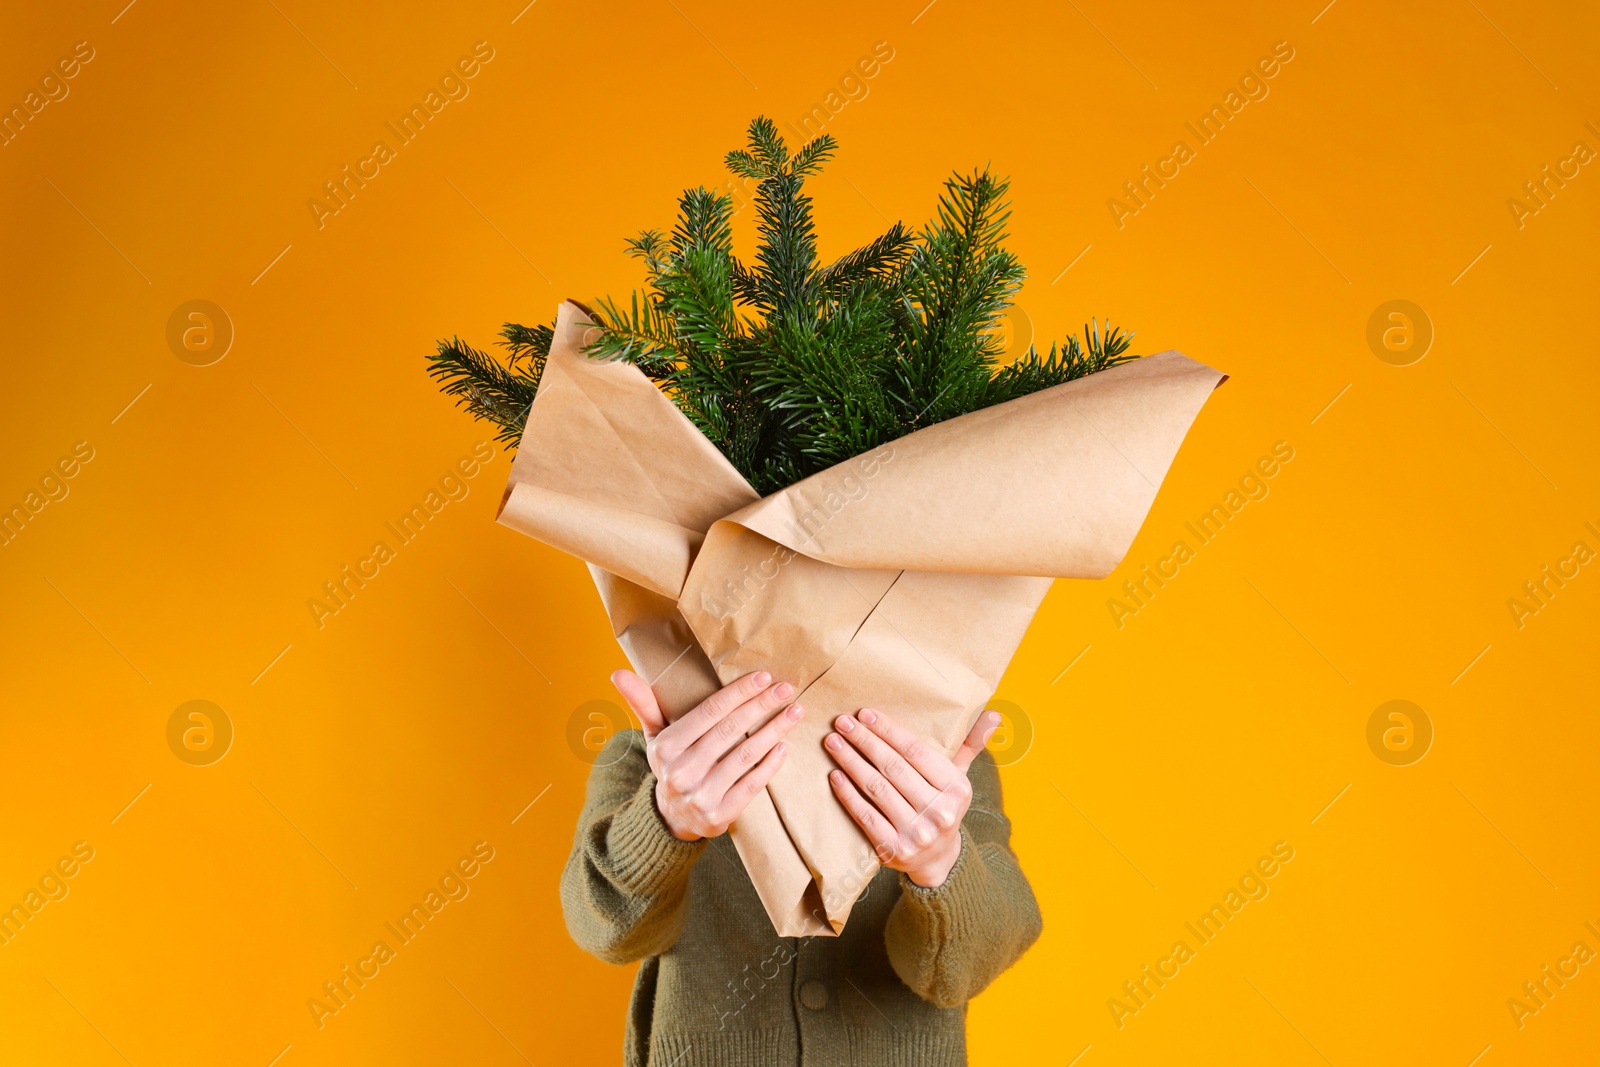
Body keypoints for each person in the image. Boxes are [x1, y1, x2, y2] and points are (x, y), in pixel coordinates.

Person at [561, 668, 1043, 1066]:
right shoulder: (658, 763)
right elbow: (602, 930)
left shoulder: (942, 768)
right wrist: (666, 821)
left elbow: (964, 971)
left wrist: (939, 863)